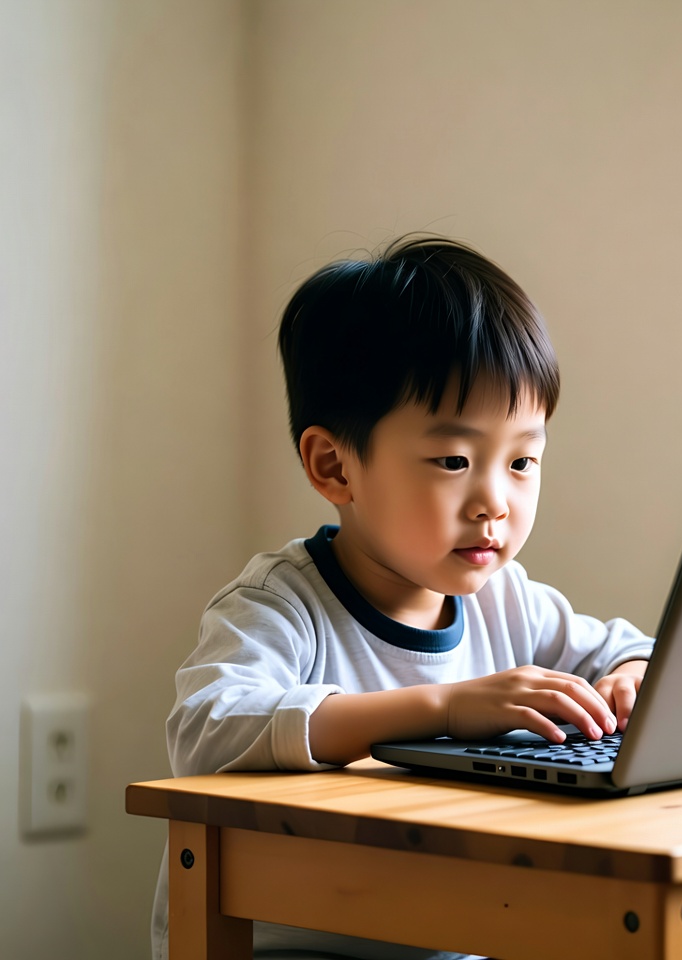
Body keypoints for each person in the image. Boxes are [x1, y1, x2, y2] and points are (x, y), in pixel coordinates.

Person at [151, 235, 655, 960]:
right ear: (334, 466)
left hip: (445, 931)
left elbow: (630, 648)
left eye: (522, 461)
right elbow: (208, 727)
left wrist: (632, 679)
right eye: (454, 460)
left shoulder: (505, 601)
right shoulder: (281, 605)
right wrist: (443, 709)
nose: (494, 501)